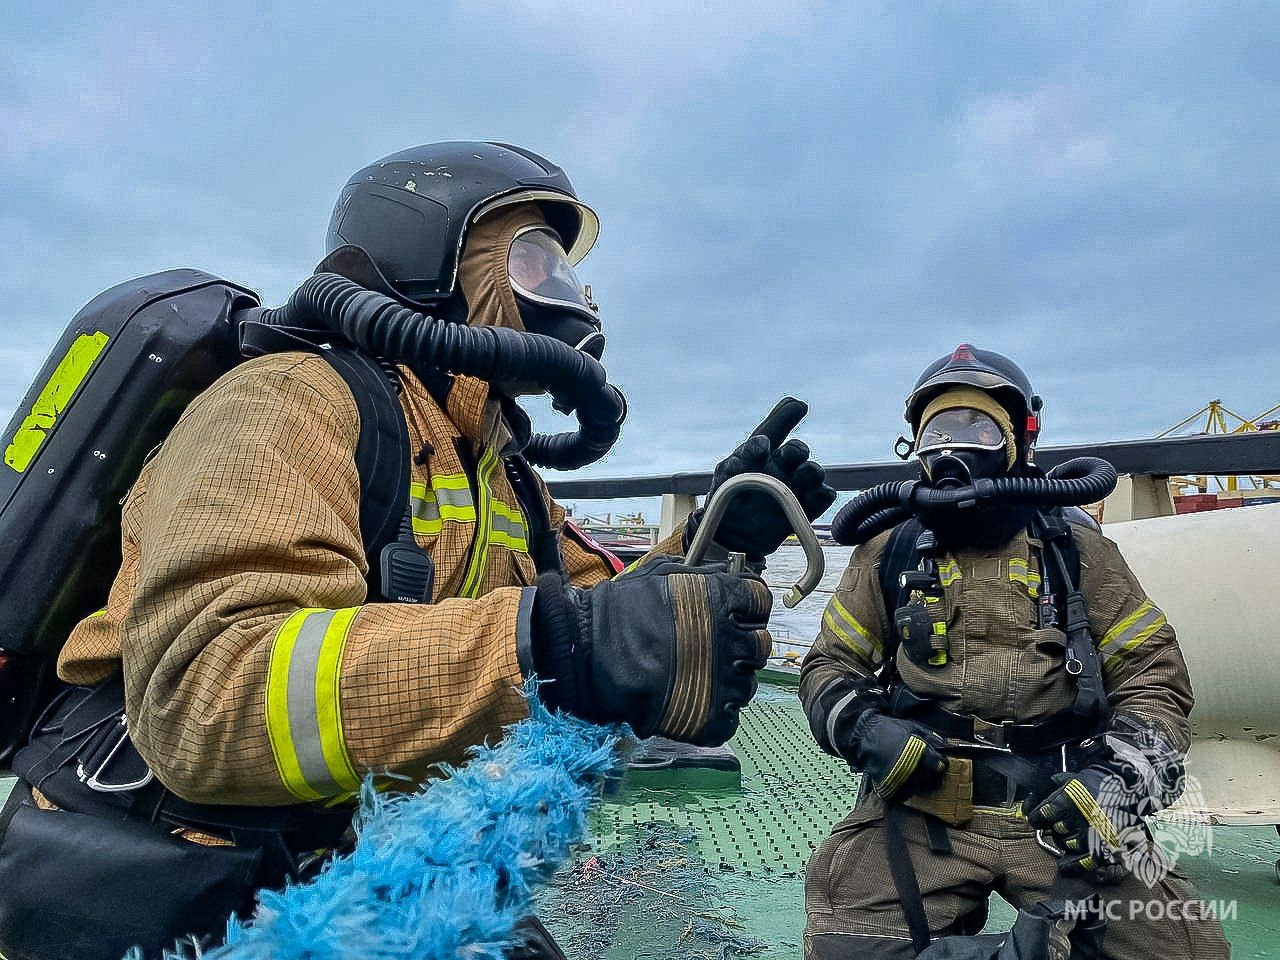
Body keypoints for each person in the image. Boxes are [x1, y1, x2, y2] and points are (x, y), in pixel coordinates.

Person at [0, 141, 835, 960]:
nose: (565, 291)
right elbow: (207, 696)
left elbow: (597, 615)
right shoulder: (286, 401)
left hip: (366, 850)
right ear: (430, 253)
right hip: (185, 873)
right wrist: (552, 650)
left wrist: (715, 545)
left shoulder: (494, 462)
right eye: (534, 260)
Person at [799, 344, 1229, 959]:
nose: (953, 445)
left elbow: (1155, 682)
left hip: (1063, 810)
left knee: (1187, 951)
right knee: (847, 945)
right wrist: (862, 727)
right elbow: (828, 664)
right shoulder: (887, 553)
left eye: (977, 425)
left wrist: (1112, 788)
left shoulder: (1078, 552)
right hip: (923, 808)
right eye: (937, 428)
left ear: (1017, 443)